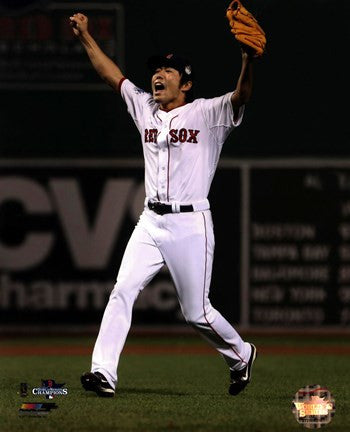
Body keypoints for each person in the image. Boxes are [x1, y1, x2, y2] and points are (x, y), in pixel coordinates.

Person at [69, 12, 257, 398]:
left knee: (196, 313)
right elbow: (112, 75)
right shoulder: (144, 108)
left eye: (168, 71)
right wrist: (86, 36)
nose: (158, 74)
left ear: (185, 83)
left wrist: (247, 60)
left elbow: (242, 96)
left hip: (191, 224)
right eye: (156, 69)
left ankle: (241, 354)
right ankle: (103, 373)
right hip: (150, 221)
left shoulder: (208, 113)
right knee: (122, 289)